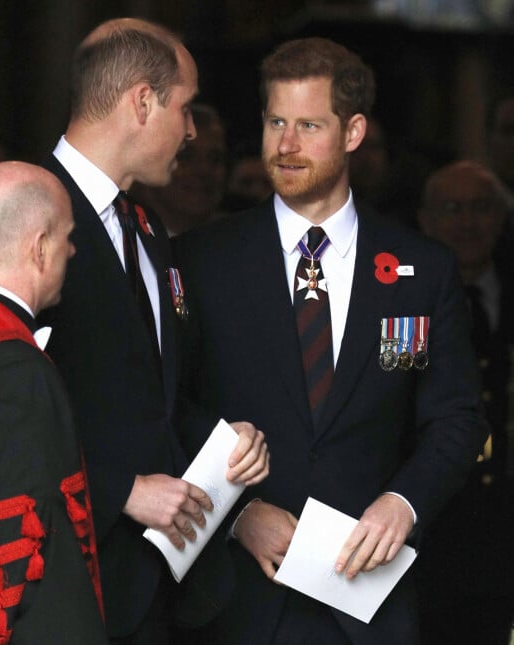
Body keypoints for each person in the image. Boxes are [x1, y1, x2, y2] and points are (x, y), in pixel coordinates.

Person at [175, 37, 488, 643]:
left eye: (309, 125)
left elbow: (456, 418)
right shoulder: (201, 261)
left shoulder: (422, 269)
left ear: (353, 133)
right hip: (238, 602)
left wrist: (404, 504)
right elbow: (171, 408)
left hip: (370, 603)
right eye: (275, 123)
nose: (285, 145)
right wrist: (236, 516)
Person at [38, 18, 269, 644]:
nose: (192, 132)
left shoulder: (145, 227)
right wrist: (119, 491)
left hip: (160, 590)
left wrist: (227, 448)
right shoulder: (24, 211)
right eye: (185, 109)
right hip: (65, 586)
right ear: (143, 101)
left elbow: (155, 397)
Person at [0, 161, 107, 644]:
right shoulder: (13, 375)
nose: (72, 250)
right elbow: (29, 574)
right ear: (40, 247)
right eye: (68, 237)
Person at [416, 159, 514, 644]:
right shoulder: (405, 300)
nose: (468, 222)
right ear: (426, 220)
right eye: (452, 209)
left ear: (502, 216)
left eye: (481, 208)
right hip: (435, 528)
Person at [132, 102, 228, 236]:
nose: (203, 170)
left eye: (214, 159)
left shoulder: (243, 245)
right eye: (185, 156)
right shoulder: (119, 242)